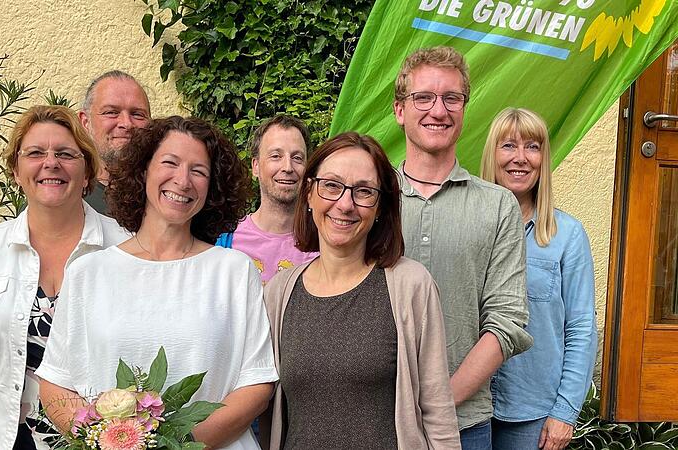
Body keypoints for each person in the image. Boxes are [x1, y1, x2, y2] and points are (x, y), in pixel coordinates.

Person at [36, 116, 278, 450]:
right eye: (170, 163)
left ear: (213, 187)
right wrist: (110, 443)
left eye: (199, 171)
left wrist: (171, 445)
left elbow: (257, 385)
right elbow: (54, 384)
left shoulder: (234, 271)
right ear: (144, 170)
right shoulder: (88, 272)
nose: (183, 180)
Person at [0, 105, 130, 450]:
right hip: (7, 439)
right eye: (35, 153)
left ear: (87, 172)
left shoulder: (125, 247)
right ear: (16, 170)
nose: (50, 163)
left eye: (66, 154)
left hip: (99, 439)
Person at [263, 132, 461, 449]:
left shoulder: (411, 285)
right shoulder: (278, 294)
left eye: (364, 191)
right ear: (309, 194)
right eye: (331, 186)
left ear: (381, 206)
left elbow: (438, 412)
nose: (345, 204)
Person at [392, 45, 532, 449]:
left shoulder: (498, 205)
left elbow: (507, 321)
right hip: (373, 416)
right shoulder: (370, 196)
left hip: (463, 424)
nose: (439, 110)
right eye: (424, 97)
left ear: (464, 110)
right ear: (400, 110)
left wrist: (438, 402)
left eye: (452, 98)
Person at [479, 108, 597, 450]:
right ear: (492, 154)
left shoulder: (567, 236)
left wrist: (564, 413)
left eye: (532, 147)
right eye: (508, 146)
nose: (520, 158)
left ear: (543, 158)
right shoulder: (469, 227)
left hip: (534, 413)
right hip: (469, 407)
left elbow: (581, 330)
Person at [216, 115, 317, 283]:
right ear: (255, 166)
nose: (287, 167)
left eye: (297, 158)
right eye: (276, 156)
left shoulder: (322, 244)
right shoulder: (225, 242)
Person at [79, 70, 152, 214]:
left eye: (137, 114)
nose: (127, 123)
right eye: (111, 112)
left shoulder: (166, 195)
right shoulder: (66, 197)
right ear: (85, 122)